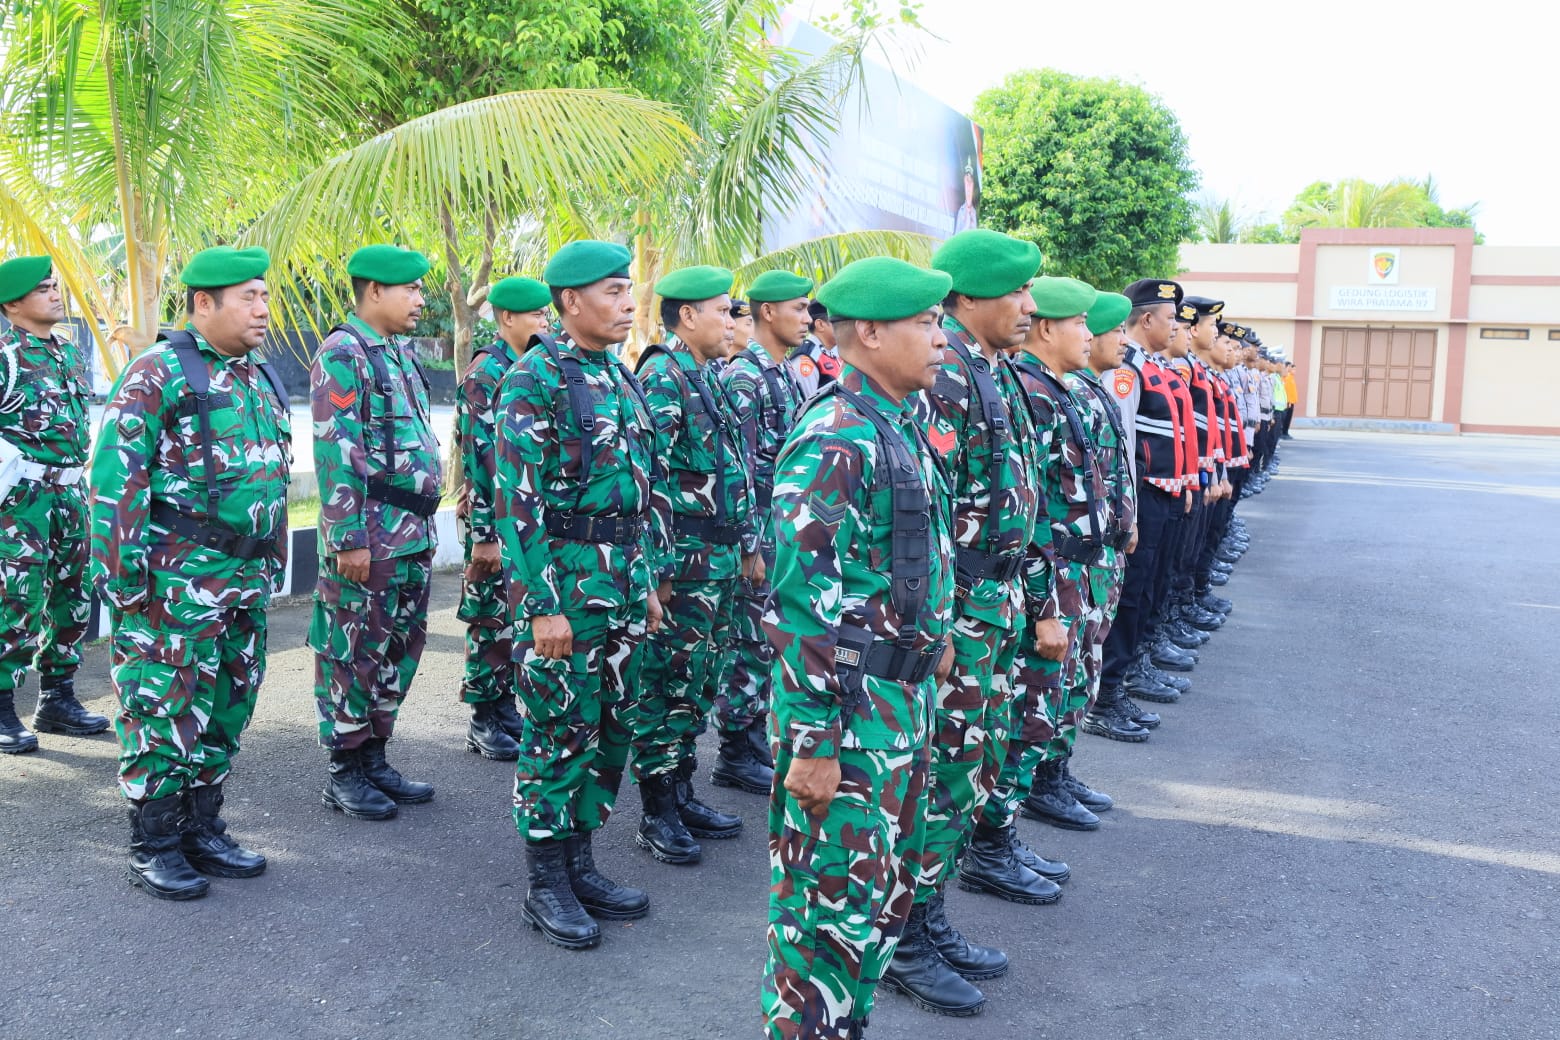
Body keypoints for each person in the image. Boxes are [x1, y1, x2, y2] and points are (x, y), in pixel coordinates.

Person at [761, 256, 955, 1039]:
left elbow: (900, 562)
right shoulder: (835, 436)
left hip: (896, 706)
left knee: (875, 909)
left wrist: (932, 642)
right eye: (925, 323)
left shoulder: (893, 424)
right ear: (869, 333)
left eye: (940, 321)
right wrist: (812, 741)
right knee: (823, 925)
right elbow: (801, 601)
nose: (941, 338)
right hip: (849, 715)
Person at [90, 246, 291, 899]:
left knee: (229, 702)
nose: (263, 309)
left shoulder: (258, 375)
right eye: (249, 298)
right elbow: (117, 481)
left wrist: (274, 559)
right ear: (204, 303)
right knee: (162, 706)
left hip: (243, 578)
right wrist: (125, 585)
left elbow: (275, 477)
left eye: (264, 296)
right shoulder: (158, 373)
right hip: (174, 583)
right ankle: (155, 843)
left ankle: (203, 828)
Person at [886, 229, 1044, 1019]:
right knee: (942, 776)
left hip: (994, 605)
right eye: (1017, 293)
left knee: (968, 770)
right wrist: (942, 627)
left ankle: (930, 915)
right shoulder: (945, 382)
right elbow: (928, 525)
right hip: (962, 613)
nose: (1031, 307)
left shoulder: (994, 373)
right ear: (973, 298)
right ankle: (905, 937)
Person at [494, 240, 664, 950]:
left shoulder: (617, 378)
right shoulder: (536, 381)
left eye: (629, 292)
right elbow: (517, 502)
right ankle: (545, 883)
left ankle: (580, 862)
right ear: (569, 302)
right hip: (566, 586)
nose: (629, 304)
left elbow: (638, 497)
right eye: (614, 291)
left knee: (610, 732)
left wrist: (648, 582)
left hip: (622, 585)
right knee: (558, 731)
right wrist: (541, 605)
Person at [310, 244, 442, 822]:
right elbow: (336, 447)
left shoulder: (397, 353)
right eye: (410, 289)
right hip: (372, 532)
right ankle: (344, 767)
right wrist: (348, 538)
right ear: (374, 292)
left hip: (411, 531)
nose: (420, 299)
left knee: (397, 648)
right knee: (353, 650)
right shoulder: (344, 352)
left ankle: (375, 755)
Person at [629, 264, 754, 865]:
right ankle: (657, 808)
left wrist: (748, 545)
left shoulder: (710, 377)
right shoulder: (662, 377)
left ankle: (681, 788)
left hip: (720, 559)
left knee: (700, 680)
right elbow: (648, 478)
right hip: (685, 562)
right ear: (687, 317)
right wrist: (657, 568)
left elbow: (733, 470)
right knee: (666, 682)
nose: (732, 321)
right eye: (723, 310)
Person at [989, 278, 1118, 838]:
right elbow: (1030, 505)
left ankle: (1049, 778)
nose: (1089, 335)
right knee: (1029, 708)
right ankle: (997, 835)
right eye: (1080, 324)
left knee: (1064, 691)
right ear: (1047, 328)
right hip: (1050, 572)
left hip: (1075, 569)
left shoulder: (1059, 389)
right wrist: (1044, 599)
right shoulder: (1031, 392)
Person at [712, 269, 813, 795]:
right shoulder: (745, 377)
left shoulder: (782, 373)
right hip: (759, 539)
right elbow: (742, 468)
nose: (807, 318)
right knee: (748, 641)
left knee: (768, 641)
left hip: (780, 535)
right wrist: (750, 545)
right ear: (767, 312)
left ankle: (751, 737)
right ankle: (735, 747)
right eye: (798, 308)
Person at [0, 256, 105, 753]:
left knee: (73, 596)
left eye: (54, 286)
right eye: (43, 289)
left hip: (69, 493)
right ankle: (2, 708)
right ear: (13, 303)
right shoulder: (5, 353)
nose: (55, 294)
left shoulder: (67, 352)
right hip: (22, 502)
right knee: (16, 600)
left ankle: (56, 700)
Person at [1087, 279, 1194, 743]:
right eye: (1170, 317)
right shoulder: (1126, 368)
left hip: (1157, 494)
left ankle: (1124, 675)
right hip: (1139, 497)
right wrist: (1124, 509)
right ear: (1146, 319)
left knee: (1145, 590)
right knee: (1127, 597)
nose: (1175, 326)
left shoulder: (1148, 365)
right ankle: (1108, 691)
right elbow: (1120, 442)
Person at [453, 276, 552, 761]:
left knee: (514, 616)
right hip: (491, 520)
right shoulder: (486, 373)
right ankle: (484, 715)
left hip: (520, 521)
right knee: (489, 616)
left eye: (547, 315)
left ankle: (504, 706)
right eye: (536, 315)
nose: (545, 323)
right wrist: (486, 536)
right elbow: (480, 458)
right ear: (507, 318)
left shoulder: (529, 367)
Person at [789, 300, 839, 397]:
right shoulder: (806, 360)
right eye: (836, 322)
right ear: (820, 325)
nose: (842, 327)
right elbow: (808, 406)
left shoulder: (833, 351)